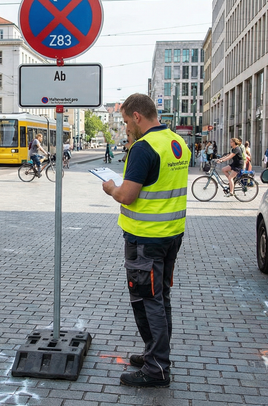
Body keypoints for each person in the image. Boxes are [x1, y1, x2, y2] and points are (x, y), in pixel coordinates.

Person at [101, 93, 190, 388]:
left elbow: (127, 195)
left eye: (127, 122)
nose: (126, 127)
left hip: (146, 240)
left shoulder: (143, 147)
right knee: (160, 299)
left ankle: (156, 369)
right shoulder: (177, 142)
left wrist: (111, 187)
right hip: (170, 236)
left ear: (137, 116)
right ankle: (155, 354)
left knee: (146, 301)